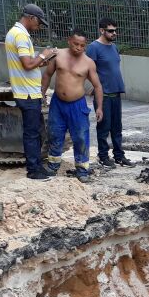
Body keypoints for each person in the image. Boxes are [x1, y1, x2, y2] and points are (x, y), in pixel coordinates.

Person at [41, 29, 103, 183]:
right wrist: (41, 94)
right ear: (69, 40)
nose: (78, 48)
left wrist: (99, 107)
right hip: (58, 103)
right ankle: (53, 166)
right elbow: (47, 75)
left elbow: (97, 86)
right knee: (55, 134)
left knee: (81, 137)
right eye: (76, 44)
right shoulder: (58, 55)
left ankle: (82, 170)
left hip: (77, 105)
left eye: (82, 45)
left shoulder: (88, 62)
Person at [5, 4, 56, 181]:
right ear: (31, 18)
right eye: (39, 22)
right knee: (32, 133)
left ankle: (37, 167)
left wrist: (44, 60)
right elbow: (27, 64)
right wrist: (44, 55)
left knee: (35, 132)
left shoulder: (18, 33)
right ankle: (33, 170)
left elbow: (27, 65)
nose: (39, 26)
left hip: (28, 91)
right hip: (27, 93)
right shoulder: (19, 35)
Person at [86, 18, 134, 169]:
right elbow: (88, 69)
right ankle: (103, 156)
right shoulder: (94, 47)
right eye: (110, 31)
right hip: (103, 95)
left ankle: (119, 156)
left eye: (115, 30)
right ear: (102, 30)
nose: (114, 33)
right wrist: (96, 86)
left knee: (117, 127)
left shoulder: (114, 47)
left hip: (116, 93)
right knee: (103, 127)